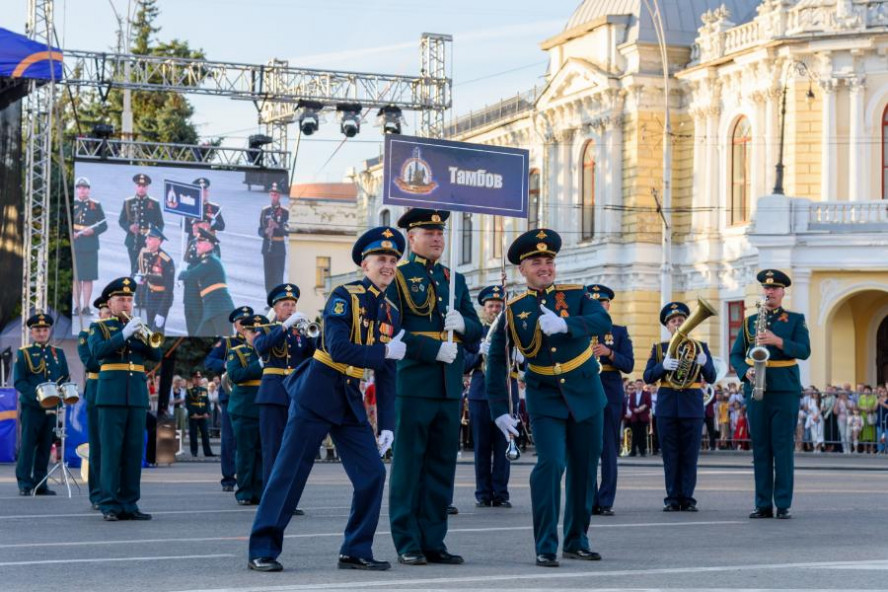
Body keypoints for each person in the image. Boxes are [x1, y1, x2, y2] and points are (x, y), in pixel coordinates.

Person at [248, 226, 406, 572]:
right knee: (289, 473)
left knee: (372, 474)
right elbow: (337, 347)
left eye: (393, 260)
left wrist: (388, 425)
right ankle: (262, 548)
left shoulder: (391, 310)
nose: (388, 266)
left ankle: (355, 548)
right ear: (365, 264)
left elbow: (388, 373)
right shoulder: (344, 295)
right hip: (318, 390)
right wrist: (383, 352)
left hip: (349, 396)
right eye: (381, 259)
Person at [485, 228, 612, 567]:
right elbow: (496, 360)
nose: (545, 267)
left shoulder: (575, 295)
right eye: (536, 262)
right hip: (544, 395)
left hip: (585, 391)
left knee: (585, 469)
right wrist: (499, 410)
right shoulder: (512, 310)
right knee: (551, 464)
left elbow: (603, 318)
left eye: (549, 261)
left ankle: (577, 539)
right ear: (521, 270)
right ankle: (545, 544)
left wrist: (568, 325)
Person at [386, 209, 482, 566]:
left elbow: (476, 329)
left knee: (442, 467)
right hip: (414, 380)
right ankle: (407, 540)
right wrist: (431, 348)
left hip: (448, 385)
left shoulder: (452, 278)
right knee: (410, 466)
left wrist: (463, 326)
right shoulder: (397, 276)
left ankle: (433, 539)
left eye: (440, 232)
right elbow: (390, 329)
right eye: (429, 232)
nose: (438, 238)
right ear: (411, 238)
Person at [730, 269, 810, 519]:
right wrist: (746, 372)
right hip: (756, 388)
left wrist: (777, 341)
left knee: (782, 447)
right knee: (761, 448)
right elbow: (735, 354)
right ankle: (762, 503)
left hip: (784, 388)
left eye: (774, 288)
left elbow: (805, 351)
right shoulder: (750, 321)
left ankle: (783, 503)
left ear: (783, 291)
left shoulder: (795, 320)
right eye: (766, 288)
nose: (770, 292)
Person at [88, 277, 162, 520]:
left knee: (132, 452)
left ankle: (129, 503)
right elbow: (98, 353)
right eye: (121, 299)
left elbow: (155, 353)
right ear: (110, 302)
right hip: (111, 396)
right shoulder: (99, 328)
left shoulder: (139, 327)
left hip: (137, 396)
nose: (127, 304)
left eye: (130, 299)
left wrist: (140, 334)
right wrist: (123, 334)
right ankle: (109, 504)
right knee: (111, 452)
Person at [643, 301, 717, 512]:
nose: (677, 324)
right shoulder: (659, 349)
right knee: (670, 454)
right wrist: (662, 366)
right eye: (673, 321)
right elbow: (647, 377)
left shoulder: (699, 347)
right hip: (667, 406)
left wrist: (705, 363)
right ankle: (672, 498)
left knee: (690, 455)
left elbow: (711, 377)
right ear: (667, 326)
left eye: (681, 321)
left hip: (692, 406)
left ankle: (688, 497)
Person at [254, 282, 315, 512]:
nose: (290, 308)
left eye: (293, 304)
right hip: (273, 394)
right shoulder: (267, 328)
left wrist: (311, 334)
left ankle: (287, 499)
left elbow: (314, 356)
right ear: (275, 308)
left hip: (296, 394)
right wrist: (285, 326)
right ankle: (272, 500)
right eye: (285, 305)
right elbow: (260, 347)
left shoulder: (301, 332)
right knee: (273, 449)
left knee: (293, 450)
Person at [463, 285, 517, 509]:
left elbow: (520, 362)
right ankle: (483, 493)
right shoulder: (475, 333)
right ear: (483, 309)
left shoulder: (510, 332)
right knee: (482, 447)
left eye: (498, 306)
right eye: (491, 306)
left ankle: (501, 493)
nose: (495, 309)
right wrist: (478, 353)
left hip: (505, 394)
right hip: (479, 394)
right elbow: (464, 364)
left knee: (505, 444)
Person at [584, 285, 634, 517]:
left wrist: (609, 353)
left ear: (608, 305)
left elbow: (629, 364)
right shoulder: (580, 329)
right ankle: (588, 498)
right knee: (586, 448)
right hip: (584, 389)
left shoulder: (619, 331)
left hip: (610, 391)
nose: (599, 307)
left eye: (602, 303)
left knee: (608, 449)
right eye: (594, 303)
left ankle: (605, 500)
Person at [15, 313, 69, 496]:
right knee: (28, 445)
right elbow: (19, 382)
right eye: (37, 330)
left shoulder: (58, 353)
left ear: (49, 331)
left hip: (52, 407)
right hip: (32, 406)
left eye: (44, 329)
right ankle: (24, 483)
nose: (41, 333)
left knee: (46, 446)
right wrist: (37, 396)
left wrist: (63, 394)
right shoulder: (24, 353)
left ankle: (40, 483)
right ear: (31, 332)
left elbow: (64, 378)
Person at [205, 306, 253, 492]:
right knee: (229, 439)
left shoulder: (258, 340)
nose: (245, 326)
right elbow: (210, 361)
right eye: (242, 322)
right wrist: (227, 363)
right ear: (235, 324)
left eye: (248, 322)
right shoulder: (227, 342)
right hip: (231, 394)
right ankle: (228, 478)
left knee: (249, 439)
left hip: (252, 394)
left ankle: (247, 477)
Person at [226, 314, 267, 505]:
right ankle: (244, 491)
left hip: (264, 406)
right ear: (244, 332)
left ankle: (259, 491)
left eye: (259, 330)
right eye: (252, 331)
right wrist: (258, 365)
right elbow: (235, 375)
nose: (256, 334)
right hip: (244, 408)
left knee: (262, 451)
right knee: (245, 452)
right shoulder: (237, 352)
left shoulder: (269, 351)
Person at [78, 297, 111, 509]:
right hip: (98, 388)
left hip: (119, 391)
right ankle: (97, 494)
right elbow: (90, 361)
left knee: (116, 444)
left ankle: (114, 492)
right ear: (99, 313)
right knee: (98, 445)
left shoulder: (122, 334)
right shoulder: (87, 334)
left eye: (111, 312)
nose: (108, 315)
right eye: (105, 312)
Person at [178, 228, 235, 336]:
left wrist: (181, 272)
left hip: (220, 309)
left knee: (228, 343)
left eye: (200, 242)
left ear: (210, 245)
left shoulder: (210, 261)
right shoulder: (207, 260)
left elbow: (191, 275)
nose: (197, 245)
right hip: (211, 310)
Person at [72, 177, 108, 315]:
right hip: (75, 245)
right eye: (80, 187)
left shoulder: (95, 205)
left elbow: (104, 225)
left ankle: (86, 306)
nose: (82, 190)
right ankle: (77, 306)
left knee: (88, 278)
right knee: (76, 278)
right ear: (76, 189)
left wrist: (93, 231)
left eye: (85, 188)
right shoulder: (72, 203)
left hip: (90, 246)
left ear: (89, 190)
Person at [119, 174, 164, 275]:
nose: (141, 188)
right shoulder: (128, 202)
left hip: (148, 241)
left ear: (147, 187)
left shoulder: (154, 203)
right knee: (134, 268)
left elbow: (160, 223)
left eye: (144, 186)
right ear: (136, 186)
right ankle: (134, 289)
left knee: (147, 269)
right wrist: (129, 227)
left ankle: (145, 290)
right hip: (133, 241)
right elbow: (121, 221)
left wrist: (155, 237)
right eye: (139, 186)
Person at [136, 226, 175, 333]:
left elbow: (169, 289)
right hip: (149, 297)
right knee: (149, 329)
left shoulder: (166, 260)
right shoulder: (144, 253)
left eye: (149, 239)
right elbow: (136, 271)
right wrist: (136, 278)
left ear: (158, 241)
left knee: (157, 331)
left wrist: (162, 312)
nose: (146, 241)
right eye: (147, 238)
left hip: (161, 298)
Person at [258, 183, 288, 293]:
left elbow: (288, 231)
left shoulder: (285, 212)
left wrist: (277, 226)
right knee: (268, 275)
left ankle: (278, 299)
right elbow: (260, 229)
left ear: (279, 196)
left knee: (278, 276)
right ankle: (269, 299)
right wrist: (266, 231)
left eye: (275, 195)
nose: (273, 197)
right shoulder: (265, 210)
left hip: (279, 247)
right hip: (267, 246)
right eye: (272, 194)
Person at [186, 373, 215, 457]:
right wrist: (193, 413)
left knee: (205, 434)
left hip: (203, 415)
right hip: (194, 416)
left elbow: (207, 403)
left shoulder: (204, 390)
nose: (198, 380)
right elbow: (188, 404)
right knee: (193, 435)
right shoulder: (190, 390)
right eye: (196, 378)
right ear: (193, 380)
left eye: (199, 378)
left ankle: (207, 452)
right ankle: (194, 452)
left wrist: (207, 412)